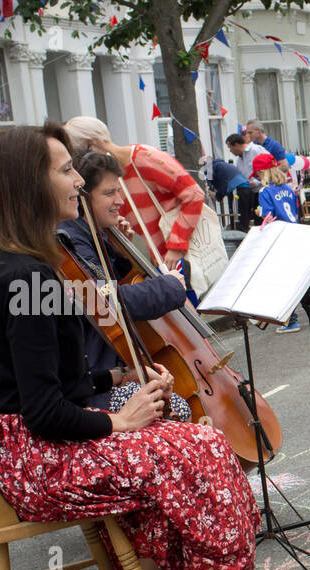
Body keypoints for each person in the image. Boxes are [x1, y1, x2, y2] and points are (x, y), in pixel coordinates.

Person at [0, 123, 269, 570]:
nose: (77, 181)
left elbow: (48, 382)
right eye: (64, 171)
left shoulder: (10, 264)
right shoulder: (29, 279)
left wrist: (118, 378)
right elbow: (42, 410)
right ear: (29, 186)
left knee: (171, 424)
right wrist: (119, 421)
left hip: (18, 454)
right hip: (33, 463)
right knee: (202, 445)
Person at [58, 150, 193, 417]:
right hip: (94, 385)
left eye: (119, 192)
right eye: (109, 193)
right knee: (177, 409)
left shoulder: (94, 237)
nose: (120, 201)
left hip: (109, 373)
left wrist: (119, 253)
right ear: (84, 199)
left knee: (174, 405)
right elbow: (102, 295)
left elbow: (107, 284)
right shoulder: (71, 241)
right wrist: (169, 286)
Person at [65, 116, 205, 272]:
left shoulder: (146, 157)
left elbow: (194, 194)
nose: (83, 161)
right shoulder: (110, 175)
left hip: (182, 255)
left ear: (92, 144)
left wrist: (176, 246)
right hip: (160, 261)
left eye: (81, 153)